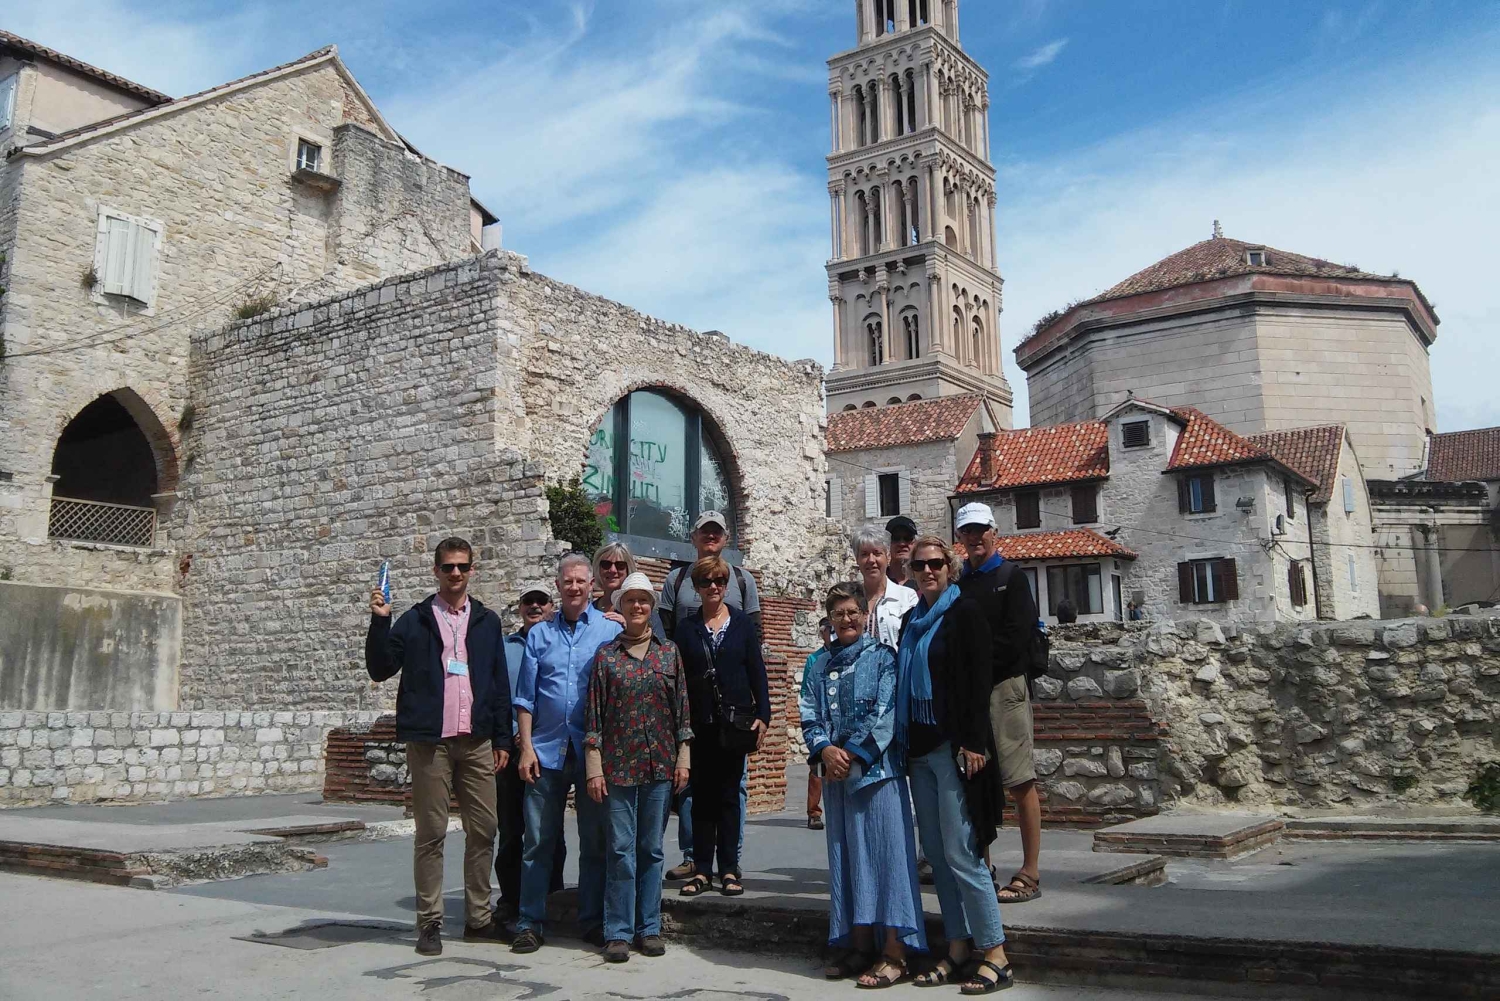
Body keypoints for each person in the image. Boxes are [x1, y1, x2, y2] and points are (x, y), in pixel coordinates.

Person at [365, 537, 511, 956]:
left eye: (462, 567)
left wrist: (502, 737)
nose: (455, 574)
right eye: (448, 567)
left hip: (477, 740)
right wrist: (380, 620)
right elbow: (379, 669)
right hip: (432, 744)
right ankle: (429, 923)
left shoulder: (486, 621)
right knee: (430, 834)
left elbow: (499, 682)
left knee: (484, 830)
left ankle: (478, 919)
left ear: (471, 570)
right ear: (436, 571)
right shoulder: (414, 621)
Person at [898, 535, 1012, 994]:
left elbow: (978, 680)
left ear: (950, 567)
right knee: (938, 858)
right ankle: (959, 946)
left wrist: (974, 743)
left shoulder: (965, 614)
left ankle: (997, 953)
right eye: (920, 565)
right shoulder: (911, 620)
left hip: (953, 749)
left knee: (963, 854)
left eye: (936, 564)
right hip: (918, 751)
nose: (928, 571)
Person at [802, 582, 926, 988]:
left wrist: (852, 754)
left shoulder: (883, 658)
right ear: (830, 619)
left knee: (887, 860)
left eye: (853, 611)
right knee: (849, 862)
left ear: (864, 614)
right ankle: (858, 945)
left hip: (876, 776)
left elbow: (886, 712)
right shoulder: (816, 663)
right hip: (837, 780)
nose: (847, 619)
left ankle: (894, 952)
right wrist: (824, 750)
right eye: (838, 613)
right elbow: (808, 710)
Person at [510, 553, 622, 954]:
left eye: (581, 581)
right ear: (558, 586)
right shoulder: (539, 635)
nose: (574, 587)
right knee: (538, 840)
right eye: (567, 581)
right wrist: (525, 748)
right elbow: (524, 698)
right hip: (544, 749)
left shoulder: (608, 632)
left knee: (594, 840)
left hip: (592, 752)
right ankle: (529, 922)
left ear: (592, 586)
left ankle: (591, 920)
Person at [584, 572, 692, 963]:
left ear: (651, 607)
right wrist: (594, 768)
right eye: (630, 601)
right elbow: (593, 717)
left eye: (644, 601)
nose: (637, 607)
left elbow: (682, 711)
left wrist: (684, 758)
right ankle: (617, 931)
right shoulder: (606, 656)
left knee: (650, 850)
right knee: (620, 849)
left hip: (660, 767)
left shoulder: (669, 653)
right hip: (617, 768)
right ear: (620, 607)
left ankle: (648, 928)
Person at [658, 511, 760, 881]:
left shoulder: (743, 579)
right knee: (694, 790)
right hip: (695, 706)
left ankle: (730, 863)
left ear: (726, 537)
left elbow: (754, 645)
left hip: (733, 710)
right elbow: (668, 636)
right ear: (694, 537)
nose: (713, 586)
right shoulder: (677, 579)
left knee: (734, 789)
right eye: (705, 532)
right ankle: (695, 859)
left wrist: (757, 708)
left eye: (717, 532)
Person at [954, 502, 1045, 910]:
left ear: (994, 532)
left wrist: (975, 665)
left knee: (1019, 778)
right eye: (966, 532)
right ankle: (983, 867)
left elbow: (1016, 637)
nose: (974, 538)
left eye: (979, 530)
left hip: (1005, 688)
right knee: (976, 779)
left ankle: (1030, 871)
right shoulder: (962, 583)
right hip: (972, 692)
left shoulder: (1013, 577)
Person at [674, 554, 769, 897]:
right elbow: (679, 679)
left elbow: (756, 669)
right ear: (697, 588)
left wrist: (764, 714)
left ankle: (729, 869)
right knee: (701, 799)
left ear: (726, 586)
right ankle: (702, 869)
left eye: (719, 582)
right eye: (706, 582)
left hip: (735, 724)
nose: (713, 587)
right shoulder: (686, 629)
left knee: (730, 797)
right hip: (700, 725)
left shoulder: (741, 624)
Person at [494, 582, 565, 931]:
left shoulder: (558, 641)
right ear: (520, 606)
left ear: (551, 605)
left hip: (548, 750)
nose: (535, 606)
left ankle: (553, 895)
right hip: (512, 750)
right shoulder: (505, 649)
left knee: (550, 831)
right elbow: (495, 695)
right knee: (510, 829)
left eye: (541, 601)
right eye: (529, 601)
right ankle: (511, 899)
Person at [855, 528, 919, 649]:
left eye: (877, 553)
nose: (871, 560)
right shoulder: (850, 597)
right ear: (857, 560)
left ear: (888, 557)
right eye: (864, 554)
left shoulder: (907, 597)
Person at [802, 617, 832, 831]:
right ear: (822, 633)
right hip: (821, 719)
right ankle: (814, 812)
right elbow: (806, 691)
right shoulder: (814, 660)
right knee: (817, 767)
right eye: (827, 630)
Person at [885, 515, 918, 588]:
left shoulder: (924, 579)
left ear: (915, 543)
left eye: (908, 538)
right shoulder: (879, 580)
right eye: (895, 538)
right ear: (887, 543)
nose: (902, 544)